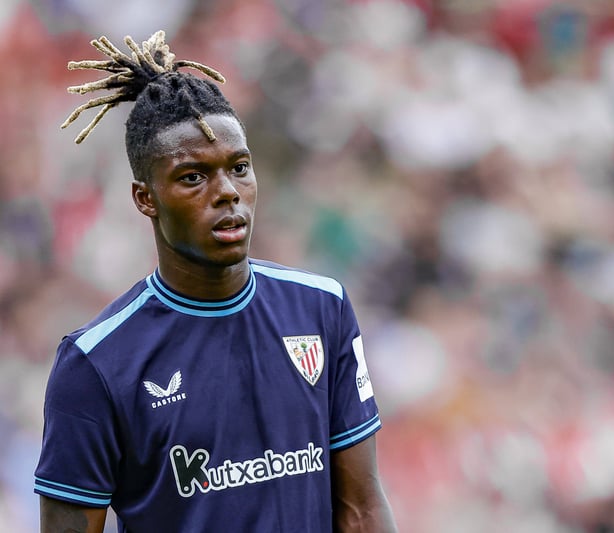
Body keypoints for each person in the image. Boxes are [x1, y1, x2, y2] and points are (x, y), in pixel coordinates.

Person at [34, 31, 397, 533]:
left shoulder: (321, 308)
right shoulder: (96, 363)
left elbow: (361, 510)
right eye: (193, 177)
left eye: (239, 167)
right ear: (145, 198)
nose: (228, 192)